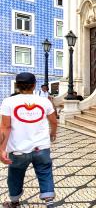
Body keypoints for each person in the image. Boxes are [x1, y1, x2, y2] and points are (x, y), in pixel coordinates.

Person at [0, 72, 57, 208]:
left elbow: (5, 126)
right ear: (34, 85)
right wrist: (52, 134)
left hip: (18, 148)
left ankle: (14, 202)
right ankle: (49, 201)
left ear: (17, 86)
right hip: (41, 147)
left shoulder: (8, 101)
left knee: (15, 174)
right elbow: (54, 121)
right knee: (45, 171)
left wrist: (2, 149)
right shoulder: (44, 101)